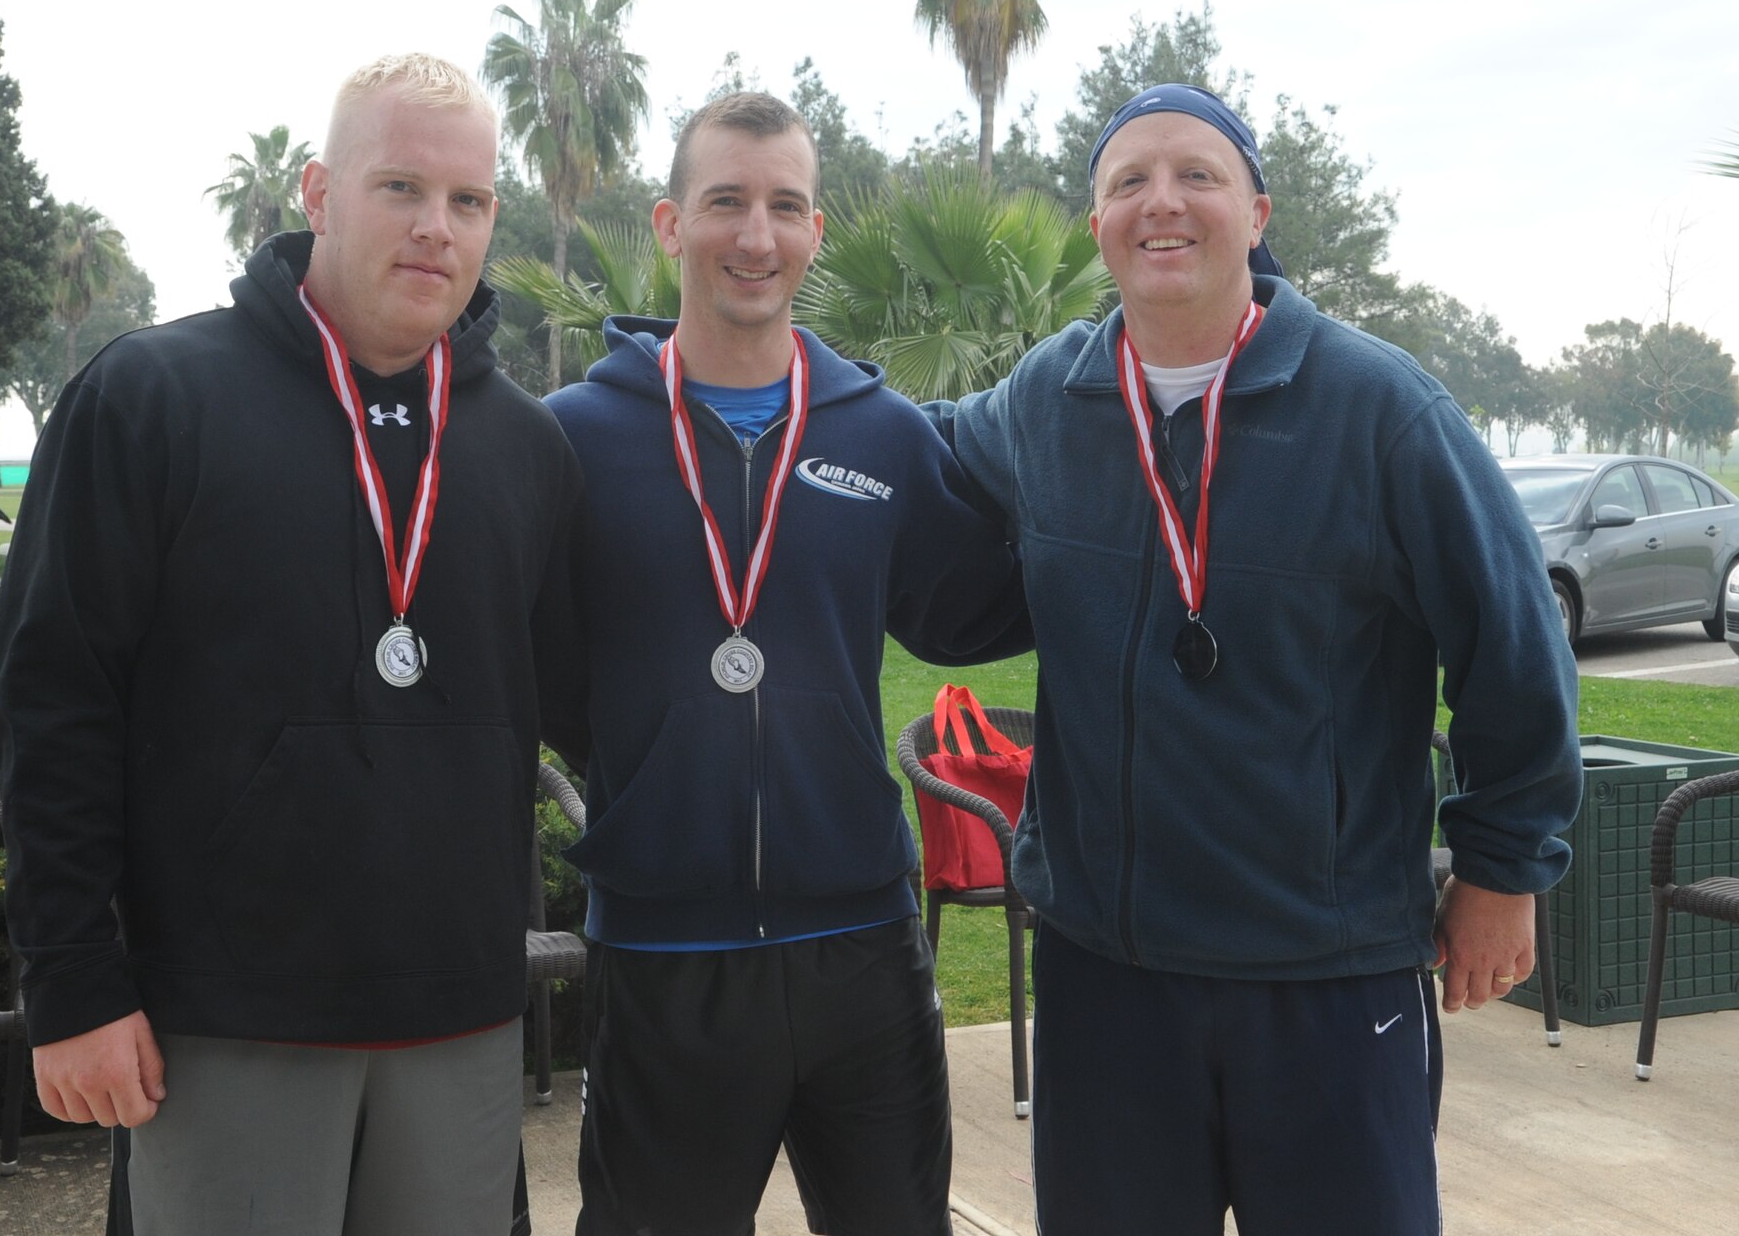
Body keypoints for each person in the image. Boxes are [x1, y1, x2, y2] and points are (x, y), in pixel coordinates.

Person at [934, 84, 1583, 1235]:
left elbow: (1512, 638)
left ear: (1256, 208)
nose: (1160, 202)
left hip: (1323, 975)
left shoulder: (1378, 409)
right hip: (1104, 971)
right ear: (1097, 226)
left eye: (1195, 174)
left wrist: (1502, 868)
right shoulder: (1048, 398)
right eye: (1126, 182)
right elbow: (906, 447)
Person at [0, 53, 581, 1235]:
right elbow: (54, 704)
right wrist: (70, 984)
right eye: (399, 186)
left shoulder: (524, 445)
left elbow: (580, 703)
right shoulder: (150, 396)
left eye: (467, 202)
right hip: (224, 1015)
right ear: (316, 192)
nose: (434, 227)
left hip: (459, 1013)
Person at [543, 91, 1029, 1236]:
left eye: (783, 207)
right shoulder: (572, 438)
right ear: (669, 223)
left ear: (812, 231)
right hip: (664, 953)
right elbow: (535, 668)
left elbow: (973, 605)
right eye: (725, 202)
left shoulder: (879, 431)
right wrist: (646, 771)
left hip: (861, 947)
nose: (753, 236)